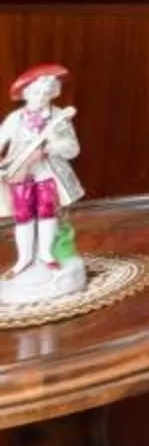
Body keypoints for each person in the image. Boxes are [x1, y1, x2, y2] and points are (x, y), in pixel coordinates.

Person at [1, 64, 82, 302]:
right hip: (21, 174)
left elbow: (72, 149)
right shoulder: (16, 119)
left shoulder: (59, 117)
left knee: (47, 212)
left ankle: (46, 254)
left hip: (48, 174)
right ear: (26, 94)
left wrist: (49, 147)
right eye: (36, 93)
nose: (41, 98)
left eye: (46, 93)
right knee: (23, 215)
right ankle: (25, 258)